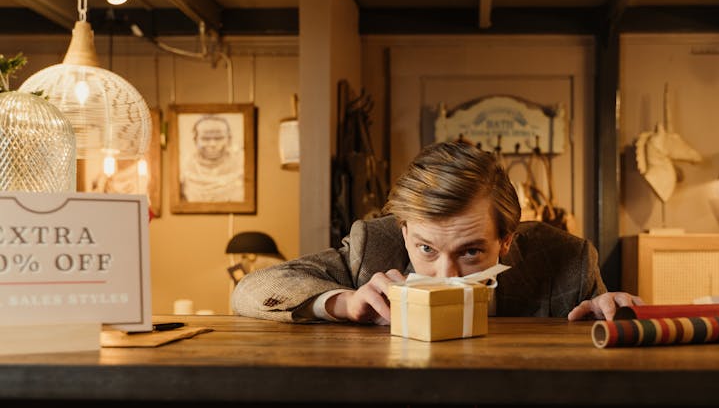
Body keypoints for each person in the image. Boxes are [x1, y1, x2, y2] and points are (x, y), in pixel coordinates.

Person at [231, 140, 641, 323]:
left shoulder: (568, 262)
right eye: (426, 248)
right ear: (404, 231)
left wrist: (616, 314)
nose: (445, 277)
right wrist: (343, 302)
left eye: (471, 253)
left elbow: (604, 330)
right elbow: (252, 289)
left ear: (507, 239)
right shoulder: (372, 246)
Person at [180, 114, 244, 202]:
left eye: (219, 138)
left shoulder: (241, 167)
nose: (212, 144)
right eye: (205, 138)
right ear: (195, 140)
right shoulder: (185, 168)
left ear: (229, 139)